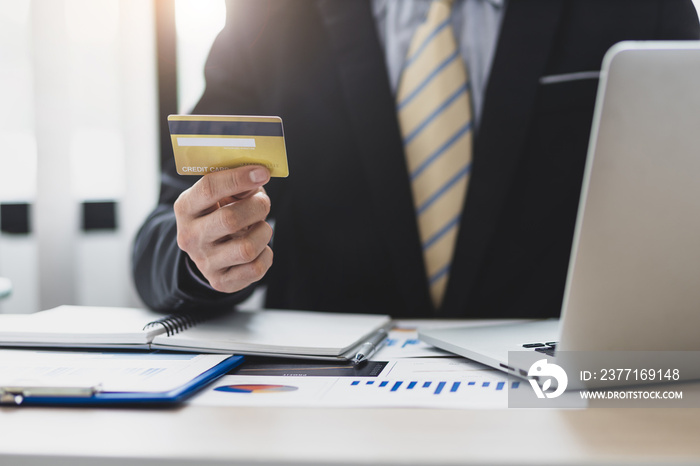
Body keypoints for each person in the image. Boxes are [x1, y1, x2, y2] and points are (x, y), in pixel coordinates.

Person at [132, 0, 700, 319]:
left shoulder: (639, 6)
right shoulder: (270, 17)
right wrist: (206, 254)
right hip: (331, 416)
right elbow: (162, 232)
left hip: (557, 401)